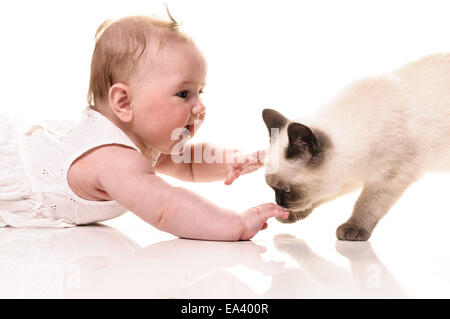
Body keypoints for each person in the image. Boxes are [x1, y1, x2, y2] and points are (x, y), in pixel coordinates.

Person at [0, 13, 288, 241]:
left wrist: (230, 161)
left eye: (200, 92)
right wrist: (234, 223)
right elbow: (166, 208)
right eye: (184, 94)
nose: (199, 107)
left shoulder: (141, 145)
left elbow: (189, 163)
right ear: (124, 103)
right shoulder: (113, 158)